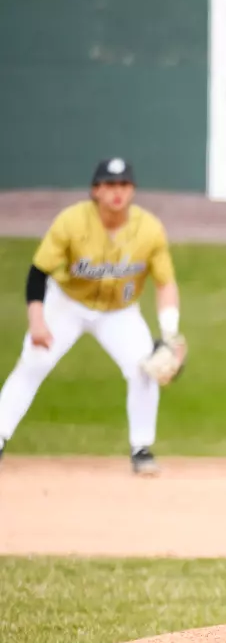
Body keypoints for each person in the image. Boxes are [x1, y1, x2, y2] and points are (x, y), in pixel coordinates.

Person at [0, 158, 182, 474]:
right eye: (109, 185)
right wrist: (37, 320)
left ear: (133, 190)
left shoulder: (149, 229)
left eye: (123, 185)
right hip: (66, 304)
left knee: (144, 368)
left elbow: (165, 282)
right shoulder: (71, 222)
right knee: (34, 362)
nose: (116, 193)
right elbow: (38, 273)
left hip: (119, 313)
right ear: (95, 190)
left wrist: (170, 334)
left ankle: (141, 448)